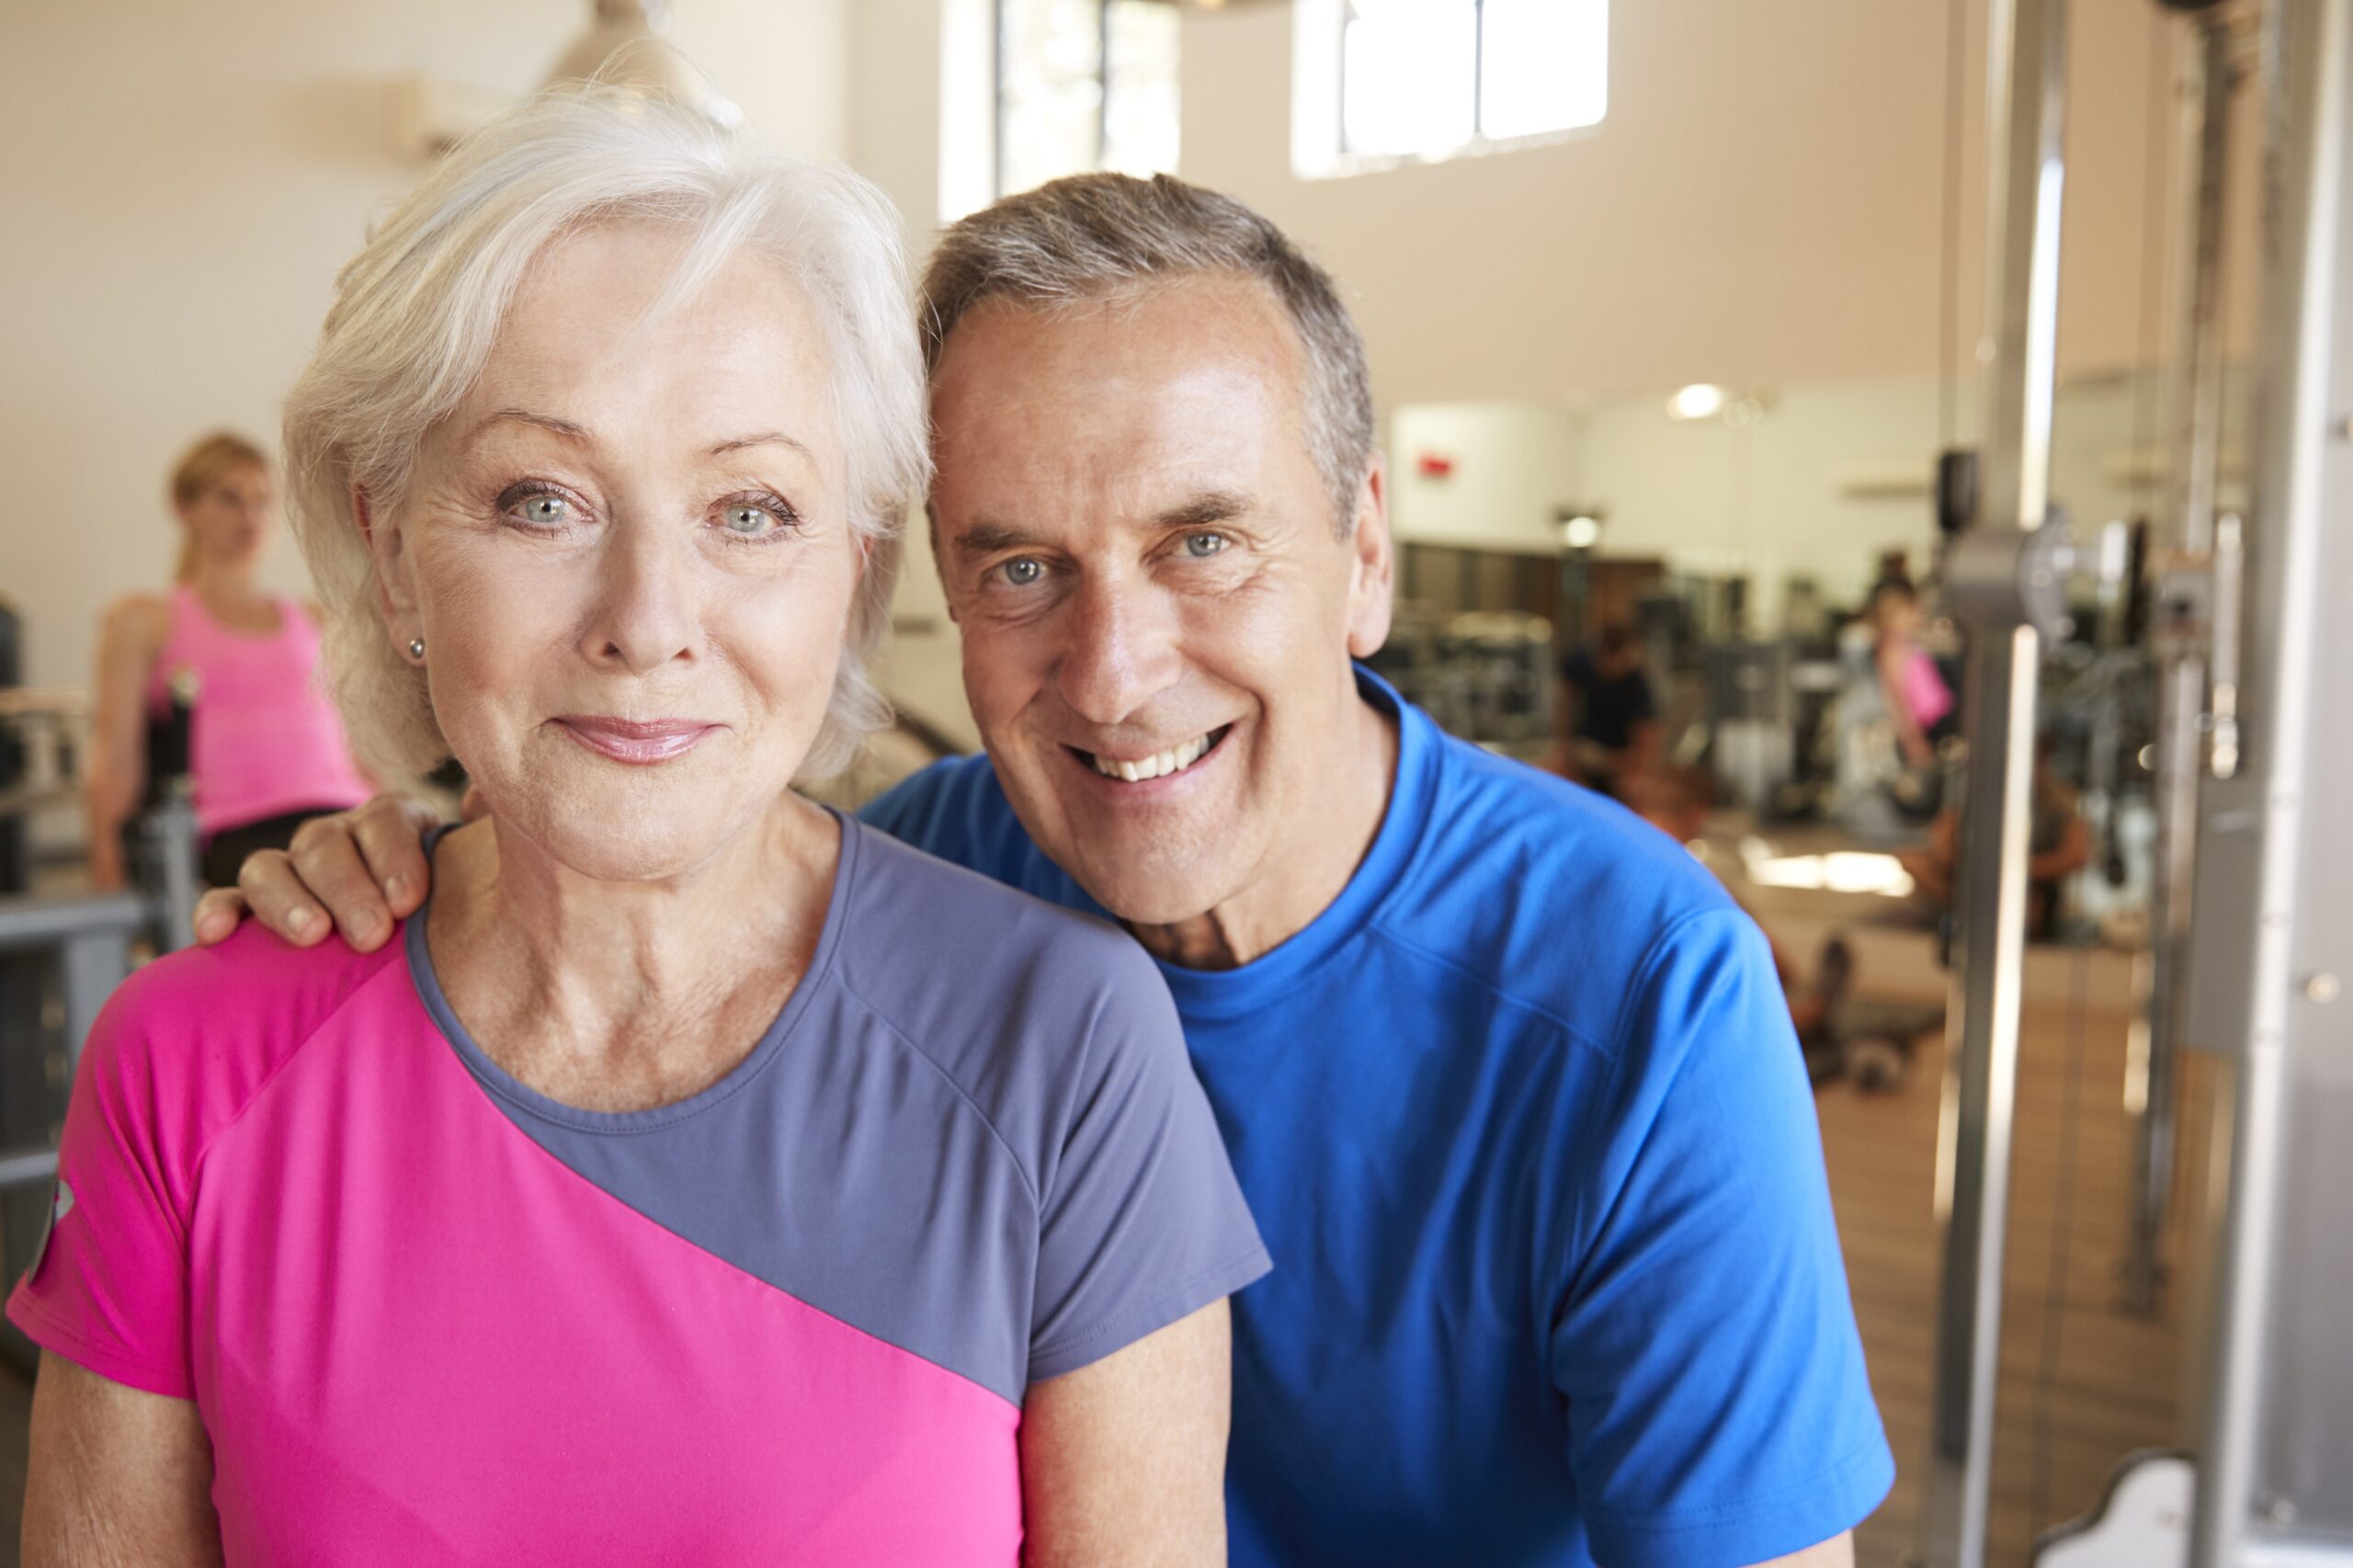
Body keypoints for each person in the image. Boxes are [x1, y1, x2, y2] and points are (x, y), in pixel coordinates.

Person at [205, 171, 1892, 1567]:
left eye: (1204, 544)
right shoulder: (915, 895)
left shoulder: (1638, 995)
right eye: (1020, 568)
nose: (1112, 669)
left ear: (1366, 553)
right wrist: (418, 879)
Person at [15, 93, 1265, 1567]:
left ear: (851, 568)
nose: (649, 623)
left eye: (750, 511)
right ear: (393, 550)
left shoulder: (1061, 1042)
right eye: (540, 499)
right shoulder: (194, 1061)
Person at [82, 434, 374, 889]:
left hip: (346, 810)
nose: (249, 518)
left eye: (262, 503)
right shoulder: (146, 620)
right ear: (186, 508)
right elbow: (117, 759)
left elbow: (356, 751)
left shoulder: (314, 618)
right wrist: (108, 872)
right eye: (229, 499)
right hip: (239, 827)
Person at [1552, 620, 1660, 795]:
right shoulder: (1581, 663)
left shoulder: (1636, 685)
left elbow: (1646, 739)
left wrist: (1612, 763)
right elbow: (1564, 705)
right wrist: (1565, 750)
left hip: (1618, 759)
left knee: (1632, 787)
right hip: (1583, 750)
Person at [1865, 580, 1953, 771]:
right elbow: (1897, 700)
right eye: (1910, 611)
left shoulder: (1909, 642)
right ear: (1891, 616)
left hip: (1938, 717)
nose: (1916, 616)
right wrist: (1914, 742)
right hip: (1927, 726)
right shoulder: (1891, 650)